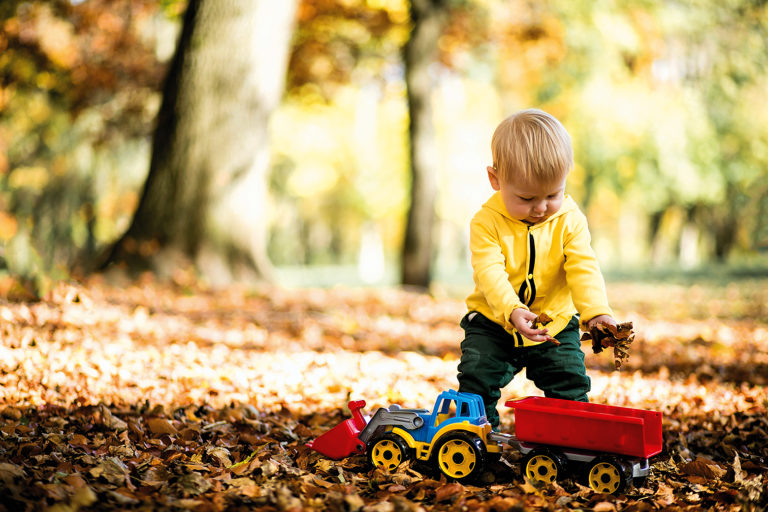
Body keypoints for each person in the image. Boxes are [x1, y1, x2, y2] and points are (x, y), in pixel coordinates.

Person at [457, 108, 617, 428]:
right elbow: (490, 272)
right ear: (495, 180)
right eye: (527, 197)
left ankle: (569, 439)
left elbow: (582, 266)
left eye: (553, 194)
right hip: (494, 324)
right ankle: (475, 436)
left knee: (569, 381)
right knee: (477, 377)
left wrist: (596, 312)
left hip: (554, 325)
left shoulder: (570, 221)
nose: (541, 208)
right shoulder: (486, 223)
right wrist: (513, 311)